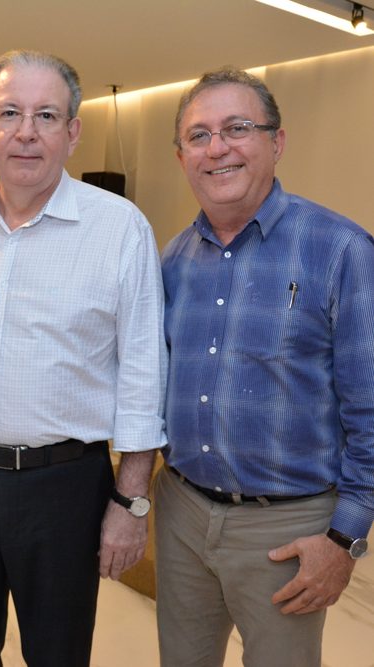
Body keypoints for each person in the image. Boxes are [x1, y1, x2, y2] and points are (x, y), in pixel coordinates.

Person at [0, 50, 167, 667]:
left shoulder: (119, 229)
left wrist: (131, 502)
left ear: (72, 132)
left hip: (65, 487)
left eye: (46, 115)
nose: (26, 131)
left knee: (57, 654)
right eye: (9, 113)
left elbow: (144, 373)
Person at [155, 67, 374, 667]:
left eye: (237, 128)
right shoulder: (170, 262)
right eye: (198, 136)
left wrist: (344, 540)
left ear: (276, 143)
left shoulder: (341, 251)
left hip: (287, 530)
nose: (217, 147)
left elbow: (371, 409)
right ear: (182, 158)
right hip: (180, 513)